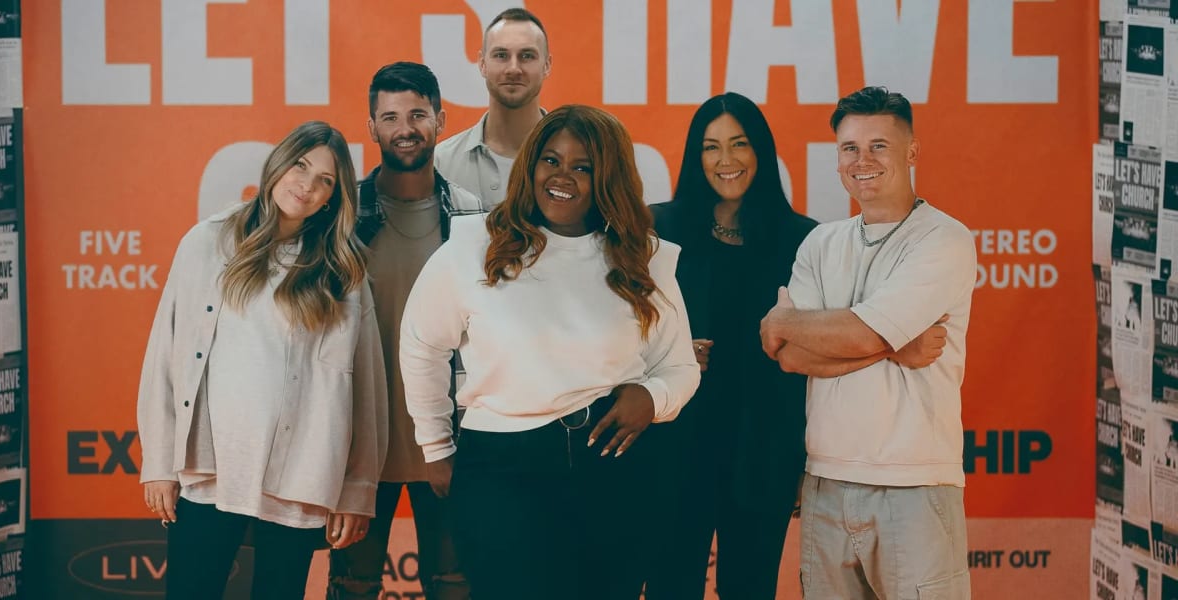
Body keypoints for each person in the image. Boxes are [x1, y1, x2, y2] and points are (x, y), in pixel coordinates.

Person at [400, 105, 700, 600]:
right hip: (500, 471)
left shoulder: (643, 257)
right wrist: (435, 448)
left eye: (583, 167)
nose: (563, 177)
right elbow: (421, 345)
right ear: (530, 165)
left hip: (614, 463)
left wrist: (652, 398)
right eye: (551, 160)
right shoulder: (475, 243)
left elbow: (680, 367)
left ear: (608, 178)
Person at [137, 121, 387, 600]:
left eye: (326, 181)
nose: (307, 186)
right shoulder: (206, 243)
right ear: (278, 163)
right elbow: (164, 357)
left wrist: (358, 489)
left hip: (299, 474)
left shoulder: (343, 270)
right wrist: (159, 464)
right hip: (210, 467)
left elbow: (366, 390)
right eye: (300, 166)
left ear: (335, 196)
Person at [760, 86, 976, 599]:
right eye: (850, 148)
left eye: (879, 145)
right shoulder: (820, 243)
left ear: (911, 152)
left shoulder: (943, 239)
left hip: (915, 483)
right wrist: (893, 346)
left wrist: (793, 325)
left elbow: (839, 334)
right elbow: (790, 356)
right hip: (824, 482)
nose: (863, 160)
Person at [644, 92, 817, 599]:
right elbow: (621, 330)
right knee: (671, 586)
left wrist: (808, 455)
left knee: (750, 587)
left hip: (765, 449)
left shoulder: (803, 240)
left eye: (740, 144)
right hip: (677, 445)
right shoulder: (659, 230)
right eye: (711, 147)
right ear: (695, 158)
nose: (726, 160)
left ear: (761, 151)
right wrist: (670, 349)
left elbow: (816, 358)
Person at [326, 61, 480, 600]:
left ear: (440, 118)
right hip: (360, 445)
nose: (405, 127)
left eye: (418, 113)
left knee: (459, 586)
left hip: (452, 442)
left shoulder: (475, 218)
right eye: (390, 116)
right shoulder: (340, 219)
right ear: (371, 127)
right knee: (352, 587)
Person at [435, 7, 550, 207]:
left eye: (527, 56)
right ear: (482, 64)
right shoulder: (441, 163)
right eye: (501, 55)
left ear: (547, 65)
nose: (513, 68)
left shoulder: (578, 161)